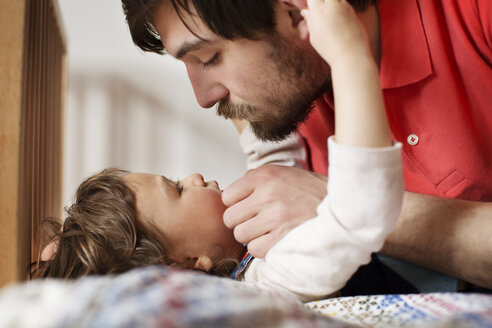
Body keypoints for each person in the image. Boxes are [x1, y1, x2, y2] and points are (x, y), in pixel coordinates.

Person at [33, 0, 406, 301]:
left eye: (208, 58)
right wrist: (349, 56)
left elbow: (273, 160)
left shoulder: (253, 260)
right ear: (188, 266)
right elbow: (358, 216)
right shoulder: (271, 283)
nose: (192, 177)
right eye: (178, 189)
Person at [121, 0, 492, 291]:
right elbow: (268, 157)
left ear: (299, 12)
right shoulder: (286, 98)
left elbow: (350, 212)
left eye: (209, 58)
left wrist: (327, 202)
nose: (203, 98)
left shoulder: (475, 16)